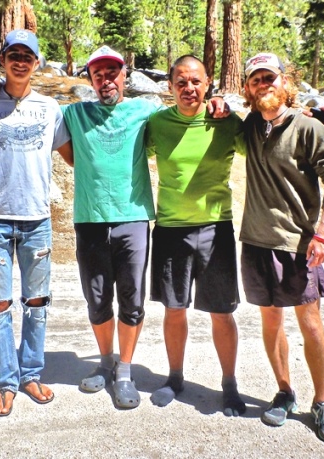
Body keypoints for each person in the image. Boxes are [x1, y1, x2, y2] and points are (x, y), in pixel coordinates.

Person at [61, 46, 229, 409]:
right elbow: (45, 125)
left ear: (125, 76)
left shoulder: (145, 111)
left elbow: (187, 110)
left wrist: (216, 101)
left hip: (133, 219)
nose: (106, 80)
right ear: (90, 80)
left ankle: (124, 371)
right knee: (97, 300)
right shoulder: (74, 113)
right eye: (98, 75)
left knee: (132, 301)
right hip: (90, 220)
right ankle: (105, 363)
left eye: (113, 73)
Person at [241, 52, 324, 442]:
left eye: (270, 77)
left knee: (310, 323)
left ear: (285, 82)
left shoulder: (308, 128)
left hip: (298, 244)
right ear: (248, 89)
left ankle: (323, 401)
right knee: (270, 321)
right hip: (255, 241)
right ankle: (284, 390)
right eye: (255, 79)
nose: (263, 84)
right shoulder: (250, 125)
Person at [0, 29, 73, 416]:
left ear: (36, 63)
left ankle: (30, 374)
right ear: (2, 60)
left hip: (36, 219)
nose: (20, 61)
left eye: (27, 56)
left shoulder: (50, 108)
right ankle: (6, 382)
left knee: (37, 302)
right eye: (13, 55)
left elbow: (74, 156)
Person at [146, 55, 246, 416]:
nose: (189, 88)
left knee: (221, 312)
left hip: (216, 229)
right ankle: (175, 378)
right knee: (174, 309)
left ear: (207, 84)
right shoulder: (158, 124)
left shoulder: (226, 122)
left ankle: (229, 384)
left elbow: (262, 146)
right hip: (171, 229)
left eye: (196, 81)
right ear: (170, 86)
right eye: (181, 82)